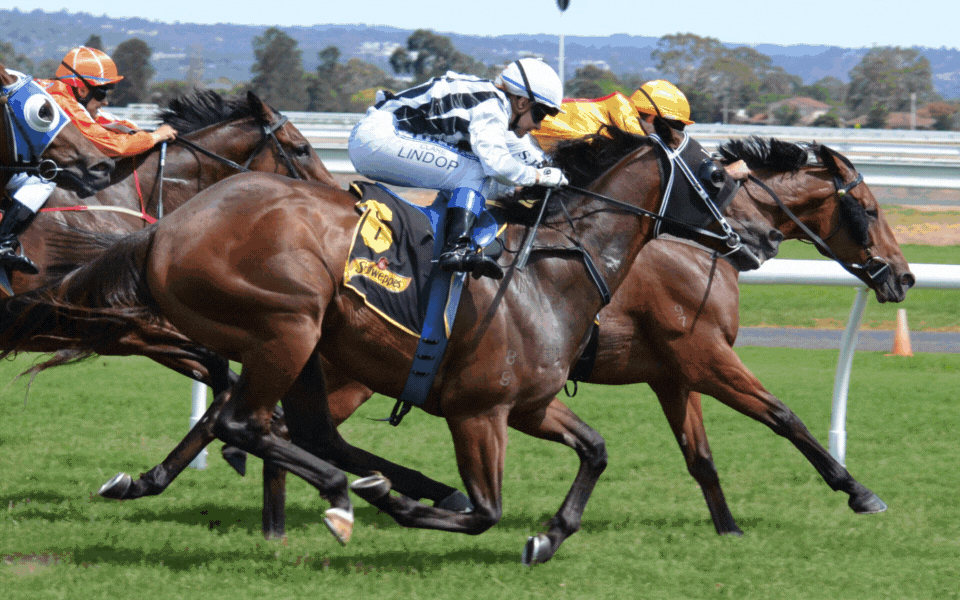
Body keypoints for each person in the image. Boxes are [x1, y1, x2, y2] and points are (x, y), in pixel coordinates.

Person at [348, 58, 569, 280]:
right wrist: (539, 176)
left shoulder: (494, 102)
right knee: (477, 171)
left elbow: (525, 155)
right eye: (540, 114)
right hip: (378, 137)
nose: (539, 125)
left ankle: (439, 237)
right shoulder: (492, 107)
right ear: (521, 102)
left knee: (479, 178)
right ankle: (456, 249)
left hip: (376, 137)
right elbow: (497, 165)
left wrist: (546, 173)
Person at [1, 46, 178, 274]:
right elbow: (104, 143)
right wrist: (153, 137)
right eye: (103, 92)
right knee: (42, 180)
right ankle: (4, 240)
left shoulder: (65, 95)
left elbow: (108, 121)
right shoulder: (60, 101)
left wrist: (143, 133)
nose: (105, 101)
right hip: (13, 166)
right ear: (82, 90)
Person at [531, 79, 694, 153]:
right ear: (652, 119)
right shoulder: (630, 130)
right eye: (677, 127)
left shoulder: (621, 114)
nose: (675, 134)